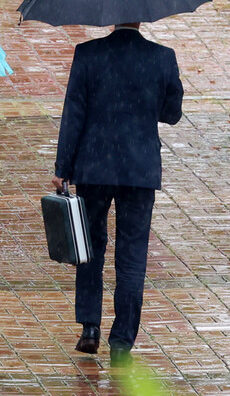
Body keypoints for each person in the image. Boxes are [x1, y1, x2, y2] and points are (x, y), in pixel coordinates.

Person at [53, 22, 183, 367]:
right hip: (139, 171)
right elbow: (172, 114)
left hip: (94, 166)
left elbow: (74, 114)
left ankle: (90, 327)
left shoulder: (88, 55)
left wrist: (62, 166)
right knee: (132, 255)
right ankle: (122, 340)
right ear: (142, 19)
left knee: (90, 247)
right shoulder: (162, 58)